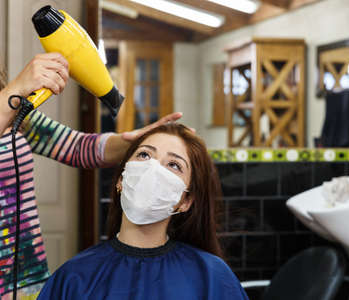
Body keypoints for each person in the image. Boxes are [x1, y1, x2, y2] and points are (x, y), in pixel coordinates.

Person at [0, 53, 182, 299]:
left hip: (27, 281)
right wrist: (14, 92)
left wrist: (141, 141)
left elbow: (77, 147)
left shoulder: (15, 108)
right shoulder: (9, 100)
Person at [37, 123, 249, 300]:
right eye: (145, 154)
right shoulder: (74, 277)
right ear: (121, 179)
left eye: (174, 165)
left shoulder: (211, 276)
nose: (153, 169)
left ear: (185, 200)